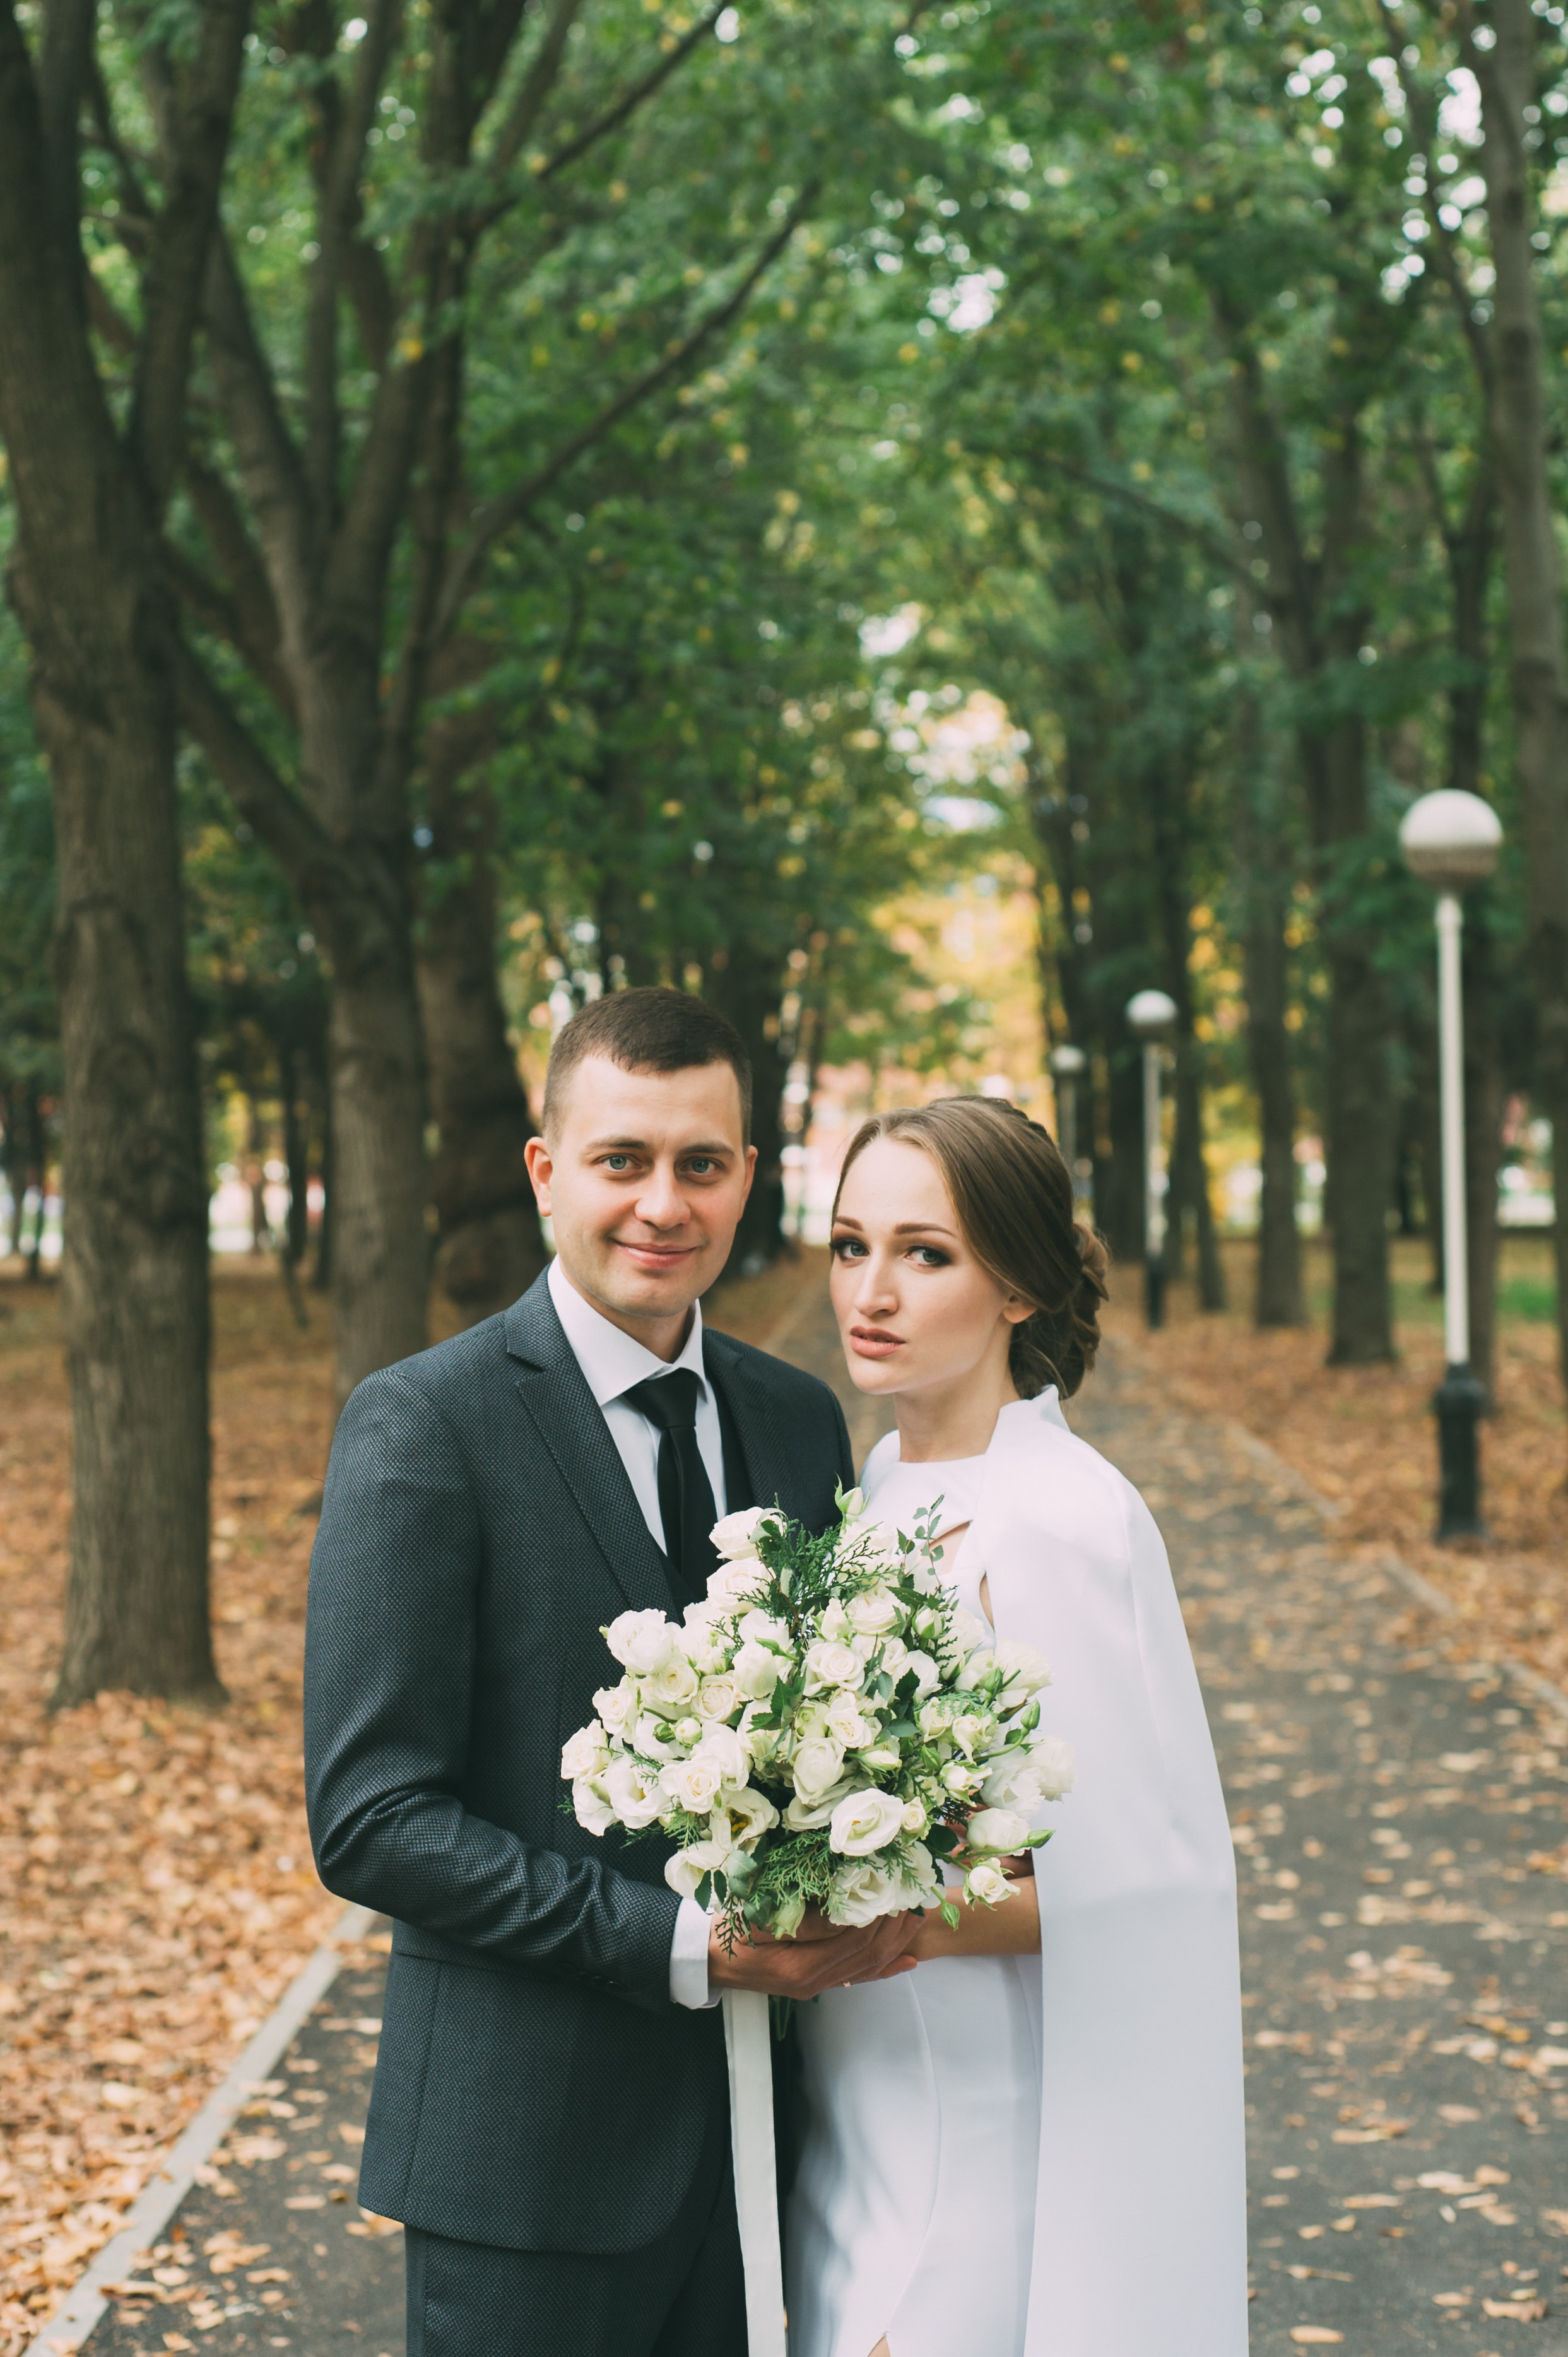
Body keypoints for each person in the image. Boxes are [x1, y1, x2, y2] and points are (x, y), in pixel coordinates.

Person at [303, 987, 918, 2357]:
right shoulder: (423, 1424)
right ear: (545, 1171)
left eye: (700, 1164)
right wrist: (687, 1944)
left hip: (771, 2148)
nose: (662, 1203)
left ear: (748, 1176)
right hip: (523, 2160)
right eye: (620, 1159)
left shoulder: (795, 1416)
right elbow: (371, 1819)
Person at [787, 1096, 1248, 2357]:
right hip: (856, 2099)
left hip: (982, 2129)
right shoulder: (880, 1484)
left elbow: (1129, 1883)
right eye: (849, 1244)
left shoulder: (1063, 1514)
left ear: (1019, 1287)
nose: (870, 1291)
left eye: (925, 1253)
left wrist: (856, 1917)